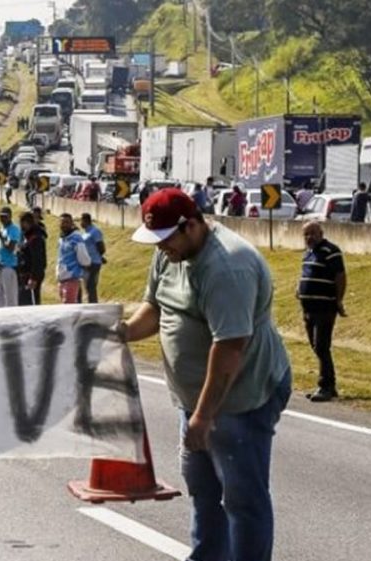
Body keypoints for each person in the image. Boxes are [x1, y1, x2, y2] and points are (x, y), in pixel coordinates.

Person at [121, 189, 291, 561]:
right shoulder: (170, 252)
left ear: (192, 225)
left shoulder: (228, 266)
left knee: (242, 497)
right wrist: (126, 331)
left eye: (166, 239)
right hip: (197, 399)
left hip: (240, 396)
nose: (161, 247)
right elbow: (156, 305)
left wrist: (203, 416)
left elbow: (230, 346)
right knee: (203, 490)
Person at [297, 221, 346, 402]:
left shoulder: (330, 251)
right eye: (306, 234)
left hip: (324, 307)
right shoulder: (308, 253)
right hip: (308, 308)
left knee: (321, 346)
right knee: (315, 346)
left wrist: (339, 300)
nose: (309, 237)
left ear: (321, 233)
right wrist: (299, 289)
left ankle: (326, 385)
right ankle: (327, 384)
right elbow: (306, 274)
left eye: (312, 233)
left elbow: (340, 275)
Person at [56, 213, 89, 304]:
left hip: (71, 278)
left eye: (67, 222)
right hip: (62, 279)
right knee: (64, 306)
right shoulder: (62, 238)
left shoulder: (76, 239)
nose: (64, 225)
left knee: (69, 307)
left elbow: (84, 259)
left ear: (72, 224)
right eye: (62, 222)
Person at [0, 207, 21, 308]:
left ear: (10, 216)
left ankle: (12, 321)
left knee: (10, 299)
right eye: (1, 216)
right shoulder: (2, 229)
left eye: (5, 216)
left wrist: (1, 237)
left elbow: (11, 248)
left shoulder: (14, 230)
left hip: (9, 267)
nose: (2, 219)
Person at [16, 211, 46, 306]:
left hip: (30, 276)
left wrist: (33, 278)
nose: (21, 227)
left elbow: (37, 260)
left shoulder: (35, 238)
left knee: (29, 303)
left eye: (22, 224)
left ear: (27, 223)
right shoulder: (28, 237)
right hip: (24, 274)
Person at [79, 212, 106, 303]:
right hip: (87, 263)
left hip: (94, 263)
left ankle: (93, 305)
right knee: (87, 286)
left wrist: (99, 256)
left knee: (91, 286)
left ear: (86, 220)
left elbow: (100, 246)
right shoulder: (85, 233)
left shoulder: (95, 231)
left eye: (81, 220)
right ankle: (90, 303)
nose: (80, 223)